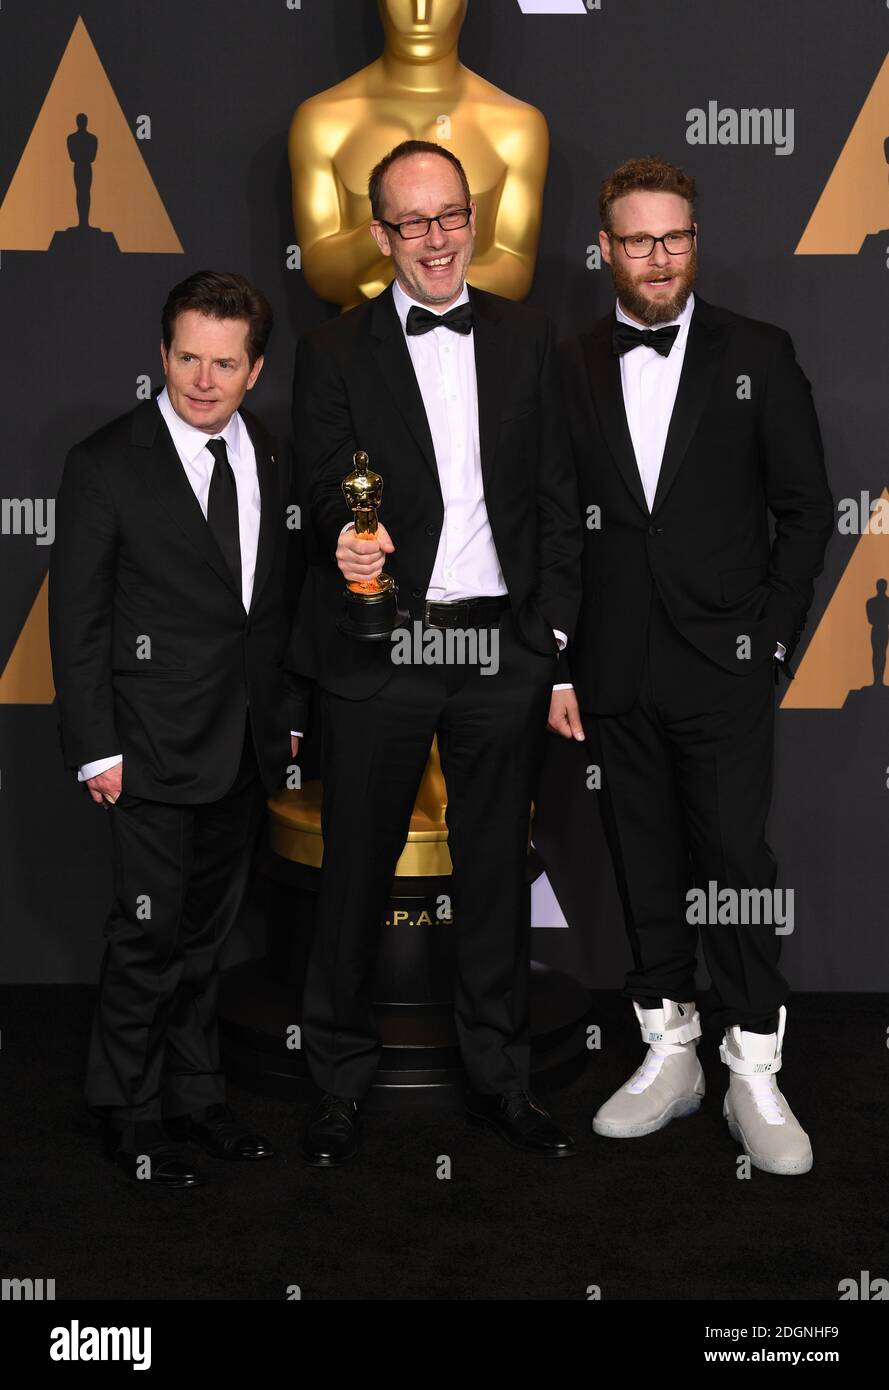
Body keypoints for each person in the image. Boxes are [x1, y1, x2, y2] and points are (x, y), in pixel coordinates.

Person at [289, 139, 582, 1165]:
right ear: (378, 235)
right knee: (355, 868)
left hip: (498, 643)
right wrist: (343, 533)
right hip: (381, 641)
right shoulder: (330, 351)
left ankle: (499, 1081)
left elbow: (556, 497)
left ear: (473, 216)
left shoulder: (532, 338)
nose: (435, 239)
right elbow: (329, 484)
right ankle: (334, 1081)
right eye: (411, 222)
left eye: (448, 214)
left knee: (496, 869)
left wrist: (546, 640)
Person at [553, 157, 833, 1175]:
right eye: (637, 239)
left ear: (693, 242)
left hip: (723, 664)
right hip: (613, 663)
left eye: (674, 237)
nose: (658, 256)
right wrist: (559, 662)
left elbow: (804, 509)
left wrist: (768, 638)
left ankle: (752, 1063)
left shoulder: (757, 350)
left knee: (735, 866)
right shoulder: (571, 362)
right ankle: (667, 1051)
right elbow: (556, 522)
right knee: (644, 861)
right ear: (606, 249)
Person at [49, 271, 308, 1187]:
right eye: (188, 357)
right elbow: (76, 620)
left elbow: (266, 612)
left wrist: (282, 730)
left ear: (255, 369)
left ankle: (197, 1100)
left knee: (208, 939)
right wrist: (95, 748)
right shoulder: (106, 461)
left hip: (242, 747)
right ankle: (127, 1106)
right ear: (163, 355)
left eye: (224, 363)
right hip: (146, 749)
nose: (204, 379)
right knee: (147, 937)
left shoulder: (272, 458)